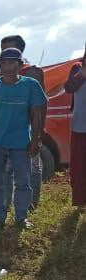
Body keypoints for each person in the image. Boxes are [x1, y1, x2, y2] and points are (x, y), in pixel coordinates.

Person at [0, 47, 47, 230]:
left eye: (11, 62)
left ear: (20, 65)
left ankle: (21, 217)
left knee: (23, 182)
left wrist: (36, 140)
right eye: (3, 63)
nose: (7, 66)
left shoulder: (30, 85)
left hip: (21, 143)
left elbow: (37, 114)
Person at [0, 35, 48, 210]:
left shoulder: (34, 72)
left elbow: (42, 103)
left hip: (28, 127)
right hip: (6, 129)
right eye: (2, 48)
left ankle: (31, 204)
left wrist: (40, 129)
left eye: (8, 48)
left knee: (33, 166)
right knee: (6, 168)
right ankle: (6, 204)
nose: (4, 52)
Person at [67, 47, 86, 210]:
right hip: (81, 127)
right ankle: (81, 203)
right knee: (80, 167)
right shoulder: (78, 67)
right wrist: (81, 75)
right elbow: (69, 88)